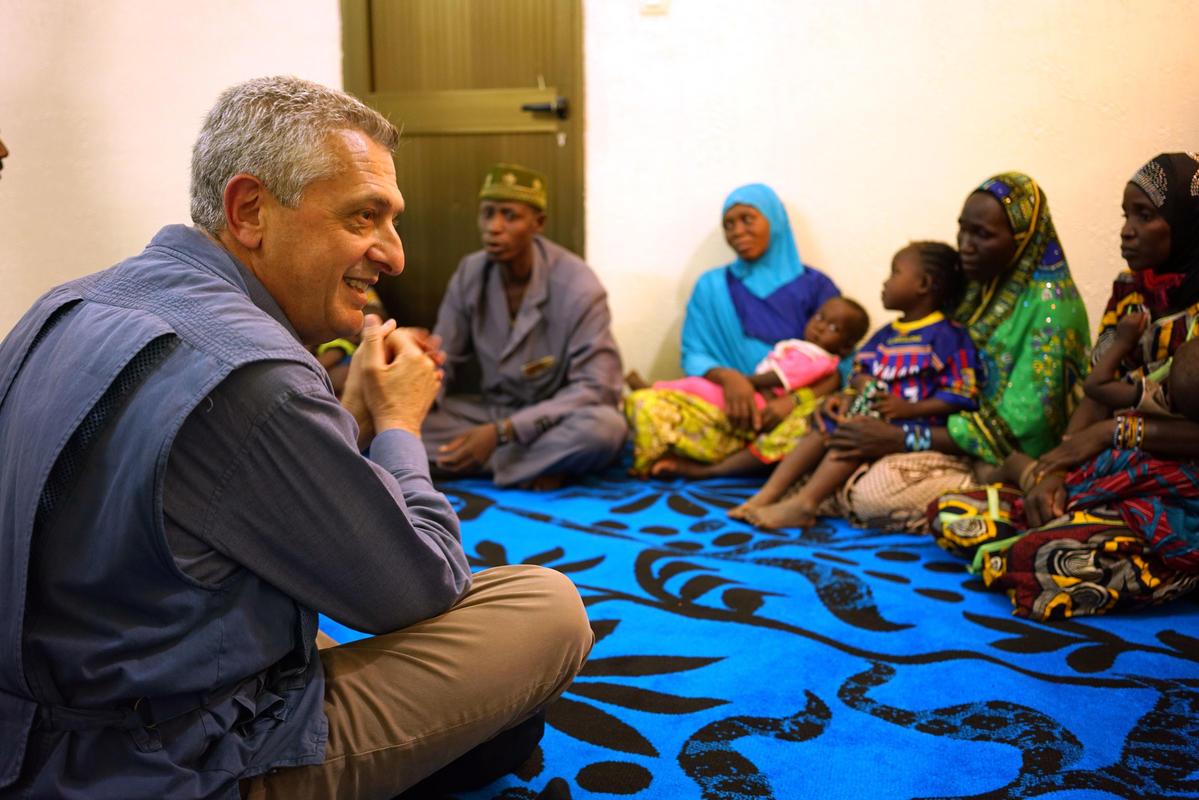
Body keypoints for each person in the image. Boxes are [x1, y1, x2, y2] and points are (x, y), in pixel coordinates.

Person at [0, 77, 592, 799]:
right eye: (365, 216)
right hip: (160, 765)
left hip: (27, 731)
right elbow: (422, 588)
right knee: (545, 610)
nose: (395, 255)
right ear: (250, 210)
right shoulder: (254, 373)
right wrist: (399, 424)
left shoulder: (61, 304)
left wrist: (346, 411)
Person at [934, 153, 1199, 619]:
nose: (1127, 230)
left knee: (1041, 559)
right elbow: (1098, 392)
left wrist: (1113, 433)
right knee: (953, 513)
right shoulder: (1130, 292)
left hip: (1182, 483)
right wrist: (1056, 470)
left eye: (1145, 215)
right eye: (1125, 214)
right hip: (1117, 465)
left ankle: (1165, 561)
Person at [816, 172, 1091, 532]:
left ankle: (1001, 496)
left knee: (875, 494)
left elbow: (1020, 428)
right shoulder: (969, 289)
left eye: (983, 235)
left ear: (1023, 240)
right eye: (963, 230)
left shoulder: (1054, 310)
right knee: (823, 436)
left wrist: (903, 438)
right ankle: (838, 490)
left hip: (1000, 457)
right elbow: (907, 367)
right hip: (929, 432)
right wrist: (852, 398)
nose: (965, 245)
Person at [732, 241, 978, 528]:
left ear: (923, 284)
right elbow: (859, 372)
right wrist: (849, 394)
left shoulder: (948, 337)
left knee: (853, 433)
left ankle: (804, 504)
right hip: (870, 416)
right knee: (826, 425)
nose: (886, 282)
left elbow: (961, 393)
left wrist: (910, 409)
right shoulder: (885, 336)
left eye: (895, 272)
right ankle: (767, 495)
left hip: (911, 428)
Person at [421, 163, 626, 491]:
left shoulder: (579, 286)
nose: (494, 228)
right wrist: (415, 403)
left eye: (510, 216)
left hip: (553, 419)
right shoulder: (470, 273)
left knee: (606, 430)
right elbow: (442, 357)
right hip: (486, 414)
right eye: (487, 214)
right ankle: (530, 465)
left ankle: (473, 461)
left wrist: (505, 432)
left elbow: (598, 388)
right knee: (394, 424)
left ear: (538, 223)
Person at [625, 183, 844, 478]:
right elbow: (694, 354)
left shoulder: (817, 287)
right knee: (643, 403)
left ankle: (713, 469)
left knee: (833, 418)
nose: (737, 231)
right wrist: (730, 379)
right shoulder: (711, 285)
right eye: (728, 225)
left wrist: (790, 402)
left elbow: (839, 364)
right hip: (725, 412)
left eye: (747, 219)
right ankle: (752, 459)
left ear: (775, 221)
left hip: (788, 414)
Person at [635, 294, 868, 413]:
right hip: (757, 395)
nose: (820, 327)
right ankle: (657, 393)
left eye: (833, 328)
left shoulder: (818, 360)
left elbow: (781, 378)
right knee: (697, 395)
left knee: (697, 387)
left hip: (762, 402)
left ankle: (654, 389)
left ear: (846, 347)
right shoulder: (805, 348)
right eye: (820, 317)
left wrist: (743, 381)